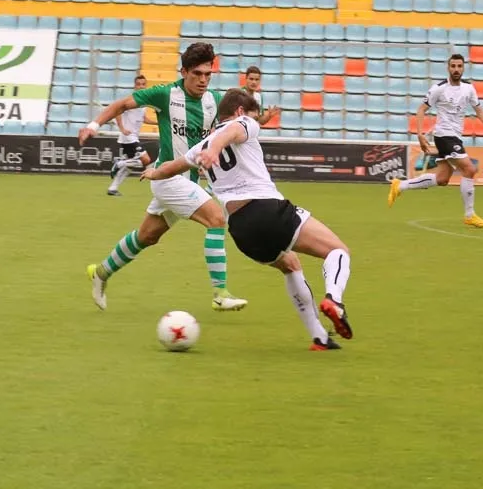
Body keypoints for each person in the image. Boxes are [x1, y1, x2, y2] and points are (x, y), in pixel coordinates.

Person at [142, 89, 351, 351]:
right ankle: (334, 300)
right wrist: (215, 148)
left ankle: (320, 337)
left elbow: (171, 167)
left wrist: (153, 173)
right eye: (251, 115)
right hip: (266, 209)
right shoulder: (243, 123)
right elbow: (231, 132)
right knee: (338, 250)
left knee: (290, 264)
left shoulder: (200, 147)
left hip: (241, 231)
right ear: (240, 111)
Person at [78, 42, 248, 312]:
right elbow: (123, 104)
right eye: (197, 74)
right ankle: (220, 293)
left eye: (208, 74)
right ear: (184, 72)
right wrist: (93, 125)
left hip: (189, 181)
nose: (203, 80)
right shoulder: (165, 94)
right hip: (167, 179)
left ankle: (101, 272)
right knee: (216, 219)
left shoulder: (214, 100)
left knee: (147, 236)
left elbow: (232, 128)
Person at [387, 53, 483, 227]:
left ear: (463, 68)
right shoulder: (439, 88)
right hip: (444, 136)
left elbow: (480, 111)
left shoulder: (469, 88)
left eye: (459, 66)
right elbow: (421, 110)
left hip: (455, 136)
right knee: (469, 169)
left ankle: (400, 186)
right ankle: (469, 215)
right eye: (453, 66)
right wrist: (420, 134)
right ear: (448, 68)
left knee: (443, 178)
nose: (456, 69)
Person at [106, 74, 154, 196]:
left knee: (130, 166)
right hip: (128, 137)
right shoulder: (130, 100)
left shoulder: (143, 102)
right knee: (146, 160)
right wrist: (122, 128)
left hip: (132, 137)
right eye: (138, 84)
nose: (141, 86)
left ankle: (113, 188)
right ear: (135, 86)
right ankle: (119, 163)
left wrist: (158, 123)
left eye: (143, 84)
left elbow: (143, 118)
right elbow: (117, 111)